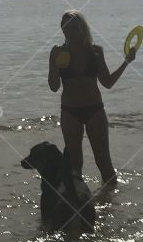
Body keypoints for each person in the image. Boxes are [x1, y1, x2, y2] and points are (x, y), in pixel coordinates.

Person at [48, 10, 136, 187]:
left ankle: (110, 205)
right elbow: (54, 87)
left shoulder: (95, 52)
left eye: (74, 27)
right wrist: (55, 67)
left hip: (95, 109)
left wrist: (126, 62)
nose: (69, 31)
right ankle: (77, 205)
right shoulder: (57, 52)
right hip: (70, 111)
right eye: (65, 28)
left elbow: (108, 82)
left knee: (104, 162)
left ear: (82, 29)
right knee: (75, 164)